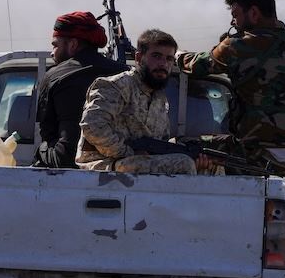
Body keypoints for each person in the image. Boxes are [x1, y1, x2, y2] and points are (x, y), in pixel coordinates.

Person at [177, 0, 285, 176]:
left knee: (183, 146)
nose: (233, 22)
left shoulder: (238, 46)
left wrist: (177, 55)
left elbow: (198, 66)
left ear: (253, 13)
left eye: (235, 15)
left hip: (258, 157)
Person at [78, 29, 210, 174]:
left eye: (169, 59)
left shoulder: (160, 100)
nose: (163, 64)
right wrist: (127, 152)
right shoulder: (116, 86)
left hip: (138, 167)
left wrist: (188, 150)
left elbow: (160, 143)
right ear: (139, 58)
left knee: (212, 168)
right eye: (156, 56)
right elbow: (92, 125)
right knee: (183, 164)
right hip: (105, 165)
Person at [34, 10, 125, 168]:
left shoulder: (54, 76)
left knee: (41, 151)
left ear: (73, 45)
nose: (52, 52)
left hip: (66, 163)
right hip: (118, 164)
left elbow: (47, 131)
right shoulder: (125, 74)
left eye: (55, 45)